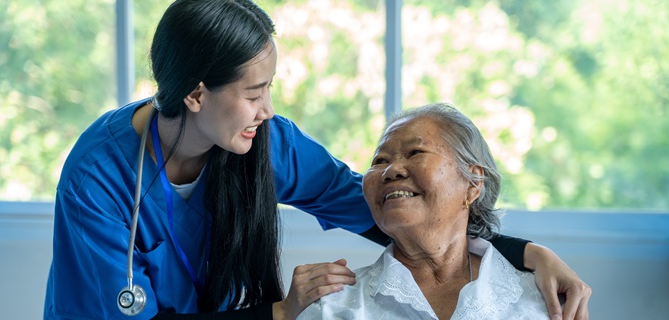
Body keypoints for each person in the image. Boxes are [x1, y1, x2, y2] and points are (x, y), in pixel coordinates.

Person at [43, 1, 590, 319]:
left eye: (270, 87)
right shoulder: (99, 178)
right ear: (195, 94)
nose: (268, 109)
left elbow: (382, 206)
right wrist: (279, 313)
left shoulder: (266, 143)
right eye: (254, 92)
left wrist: (524, 251)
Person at [298, 103, 592, 320]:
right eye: (379, 160)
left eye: (415, 153)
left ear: (473, 182)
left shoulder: (547, 303)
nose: (390, 170)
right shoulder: (331, 307)